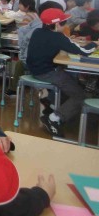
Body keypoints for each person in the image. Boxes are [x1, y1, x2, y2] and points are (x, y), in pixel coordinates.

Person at [26, 8, 97, 137]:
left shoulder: (37, 32)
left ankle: (51, 104)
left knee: (72, 81)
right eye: (64, 23)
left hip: (35, 69)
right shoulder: (58, 37)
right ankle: (53, 118)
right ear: (57, 24)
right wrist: (94, 44)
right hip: (48, 72)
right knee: (80, 95)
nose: (66, 25)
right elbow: (84, 51)